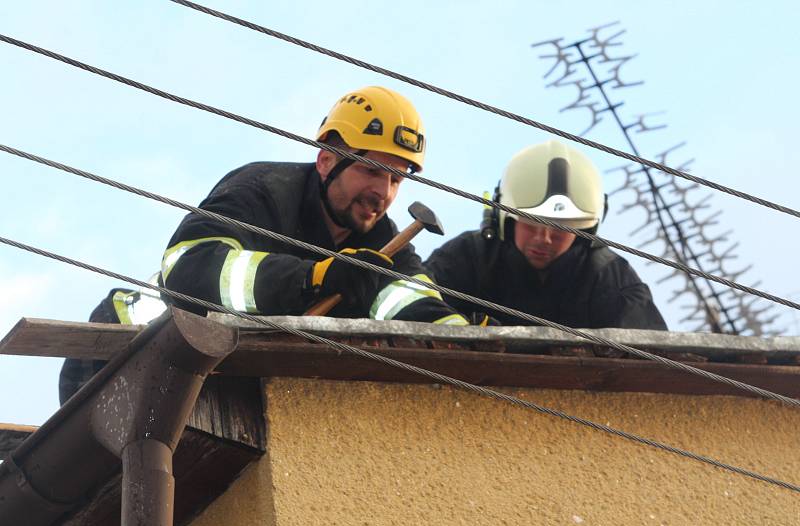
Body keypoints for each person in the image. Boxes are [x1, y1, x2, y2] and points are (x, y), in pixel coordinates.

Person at [59, 86, 478, 404]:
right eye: (373, 170)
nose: (383, 193)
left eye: (397, 179)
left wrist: (472, 342)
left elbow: (414, 308)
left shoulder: (384, 245)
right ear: (327, 160)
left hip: (214, 383)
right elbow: (188, 271)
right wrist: (312, 279)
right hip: (113, 360)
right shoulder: (263, 190)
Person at [424, 139, 668, 330]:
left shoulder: (610, 278)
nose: (544, 238)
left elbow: (654, 358)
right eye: (532, 224)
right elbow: (413, 307)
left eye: (561, 228)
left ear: (585, 230)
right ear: (505, 218)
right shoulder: (466, 258)